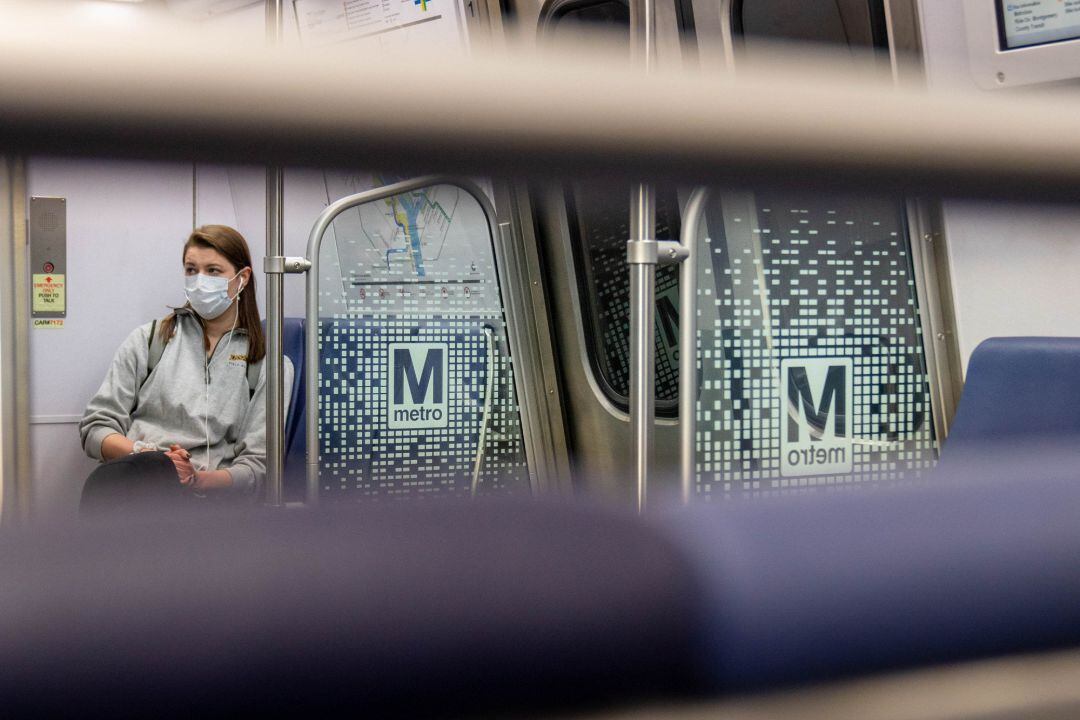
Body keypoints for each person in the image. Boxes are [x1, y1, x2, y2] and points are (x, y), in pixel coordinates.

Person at [79, 224, 293, 514]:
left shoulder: (268, 364)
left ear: (242, 279)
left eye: (213, 271)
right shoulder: (150, 340)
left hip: (212, 509)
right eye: (191, 270)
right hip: (136, 484)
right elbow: (96, 429)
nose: (199, 280)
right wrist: (151, 456)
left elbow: (258, 467)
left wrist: (198, 480)